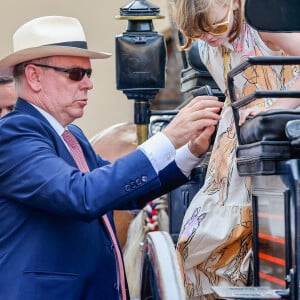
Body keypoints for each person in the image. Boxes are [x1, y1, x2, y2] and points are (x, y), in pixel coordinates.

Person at [0, 16, 223, 300]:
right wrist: (169, 136)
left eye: (89, 74)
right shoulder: (13, 133)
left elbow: (123, 194)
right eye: (75, 74)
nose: (88, 85)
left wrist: (190, 153)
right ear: (34, 76)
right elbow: (82, 195)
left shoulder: (73, 136)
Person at [173, 0, 300, 299]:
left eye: (213, 27)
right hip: (237, 139)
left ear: (232, 2)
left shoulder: (261, 23)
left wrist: (275, 108)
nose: (208, 38)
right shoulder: (209, 46)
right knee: (197, 240)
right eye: (197, 33)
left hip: (279, 128)